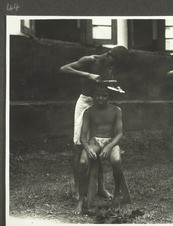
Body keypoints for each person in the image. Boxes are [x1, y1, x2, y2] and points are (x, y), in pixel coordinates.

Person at [59, 46, 129, 201]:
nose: (113, 67)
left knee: (99, 144)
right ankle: (78, 190)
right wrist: (87, 74)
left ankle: (101, 188)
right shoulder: (90, 60)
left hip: (100, 105)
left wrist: (113, 87)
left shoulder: (110, 66)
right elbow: (63, 69)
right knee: (79, 147)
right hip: (85, 103)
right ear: (109, 54)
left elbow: (103, 86)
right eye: (113, 63)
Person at [75, 84, 125, 214]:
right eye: (98, 95)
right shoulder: (89, 111)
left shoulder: (116, 110)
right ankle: (81, 198)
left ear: (109, 96)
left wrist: (109, 146)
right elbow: (83, 136)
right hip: (94, 141)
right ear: (93, 96)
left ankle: (117, 193)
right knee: (82, 162)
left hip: (111, 141)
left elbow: (119, 134)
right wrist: (87, 148)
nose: (101, 98)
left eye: (104, 95)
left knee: (116, 160)